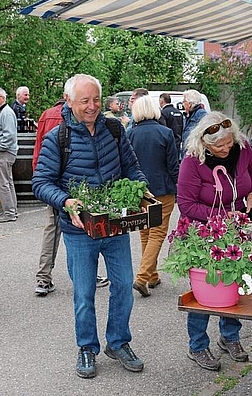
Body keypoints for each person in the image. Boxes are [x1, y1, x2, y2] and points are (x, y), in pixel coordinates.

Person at [32, 74, 147, 379]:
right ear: (69, 101)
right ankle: (86, 347)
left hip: (114, 224)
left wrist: (141, 187)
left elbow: (132, 167)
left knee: (123, 286)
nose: (93, 106)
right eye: (85, 101)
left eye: (96, 99)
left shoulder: (114, 129)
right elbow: (41, 182)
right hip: (79, 230)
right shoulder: (59, 137)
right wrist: (66, 201)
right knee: (84, 294)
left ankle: (118, 342)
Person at [177, 111, 252, 371]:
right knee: (204, 292)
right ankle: (198, 345)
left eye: (228, 143)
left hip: (235, 228)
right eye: (218, 146)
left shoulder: (243, 148)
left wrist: (251, 197)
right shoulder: (193, 162)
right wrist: (223, 215)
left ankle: (230, 337)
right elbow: (186, 205)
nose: (225, 149)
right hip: (204, 233)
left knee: (232, 283)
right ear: (204, 143)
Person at [33, 96, 109, 296]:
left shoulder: (45, 115)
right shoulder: (71, 119)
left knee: (54, 229)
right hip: (69, 186)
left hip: (51, 182)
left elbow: (37, 148)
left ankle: (43, 278)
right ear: (69, 101)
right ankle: (85, 275)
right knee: (78, 230)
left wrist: (39, 177)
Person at [128, 95, 179, 297]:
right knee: (157, 234)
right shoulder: (165, 133)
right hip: (163, 189)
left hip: (140, 191)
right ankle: (142, 277)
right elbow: (173, 166)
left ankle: (152, 275)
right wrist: (180, 189)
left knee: (145, 233)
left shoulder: (129, 134)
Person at [0, 87, 18, 222]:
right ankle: (12, 211)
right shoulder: (3, 112)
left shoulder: (6, 113)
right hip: (5, 152)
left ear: (2, 98)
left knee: (2, 183)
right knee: (8, 182)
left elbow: (9, 136)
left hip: (4, 153)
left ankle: (9, 213)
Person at [181, 89, 207, 154]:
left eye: (184, 101)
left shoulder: (201, 114)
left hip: (195, 153)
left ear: (190, 104)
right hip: (188, 152)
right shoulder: (188, 116)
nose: (182, 104)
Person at [159, 93, 184, 160]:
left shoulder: (163, 113)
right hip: (178, 143)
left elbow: (163, 129)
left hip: (168, 145)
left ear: (161, 101)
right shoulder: (178, 112)